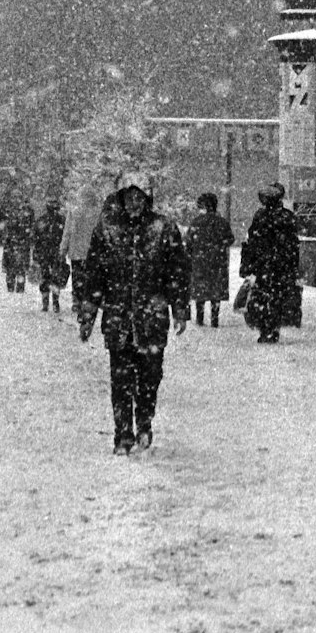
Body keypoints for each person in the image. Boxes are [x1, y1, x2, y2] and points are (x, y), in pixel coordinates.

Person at [85, 171, 189, 455]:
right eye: (128, 196)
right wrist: (89, 310)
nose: (133, 201)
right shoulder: (107, 228)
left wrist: (179, 306)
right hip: (119, 318)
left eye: (138, 196)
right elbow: (94, 272)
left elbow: (177, 271)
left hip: (151, 318)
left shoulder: (164, 228)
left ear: (147, 198)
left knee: (150, 376)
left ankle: (144, 421)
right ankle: (123, 433)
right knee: (121, 380)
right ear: (121, 198)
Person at [240, 183, 302, 343]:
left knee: (262, 295)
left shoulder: (260, 216)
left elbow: (252, 241)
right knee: (278, 296)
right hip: (282, 264)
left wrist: (248, 263)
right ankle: (274, 326)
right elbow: (293, 244)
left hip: (264, 264)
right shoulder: (288, 217)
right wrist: (293, 265)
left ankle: (265, 326)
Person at [62, 188, 115, 343]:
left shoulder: (74, 212)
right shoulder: (99, 214)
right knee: (89, 281)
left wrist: (63, 249)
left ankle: (78, 303)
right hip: (92, 254)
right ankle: (86, 304)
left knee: (77, 278)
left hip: (77, 252)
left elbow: (67, 232)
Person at [186, 192, 235, 328]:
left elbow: (189, 242)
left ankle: (200, 318)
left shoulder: (196, 222)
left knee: (200, 292)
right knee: (215, 292)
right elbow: (230, 239)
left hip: (200, 261)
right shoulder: (221, 222)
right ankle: (214, 319)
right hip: (217, 261)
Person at [32, 197, 68, 313]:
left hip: (47, 252)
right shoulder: (61, 220)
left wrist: (36, 253)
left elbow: (36, 238)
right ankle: (53, 301)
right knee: (55, 277)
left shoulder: (43, 220)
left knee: (46, 276)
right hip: (54, 252)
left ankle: (46, 301)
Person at [2, 200, 35, 294]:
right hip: (17, 243)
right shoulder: (25, 211)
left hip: (17, 243)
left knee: (16, 267)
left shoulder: (12, 210)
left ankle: (14, 287)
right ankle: (14, 287)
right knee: (16, 268)